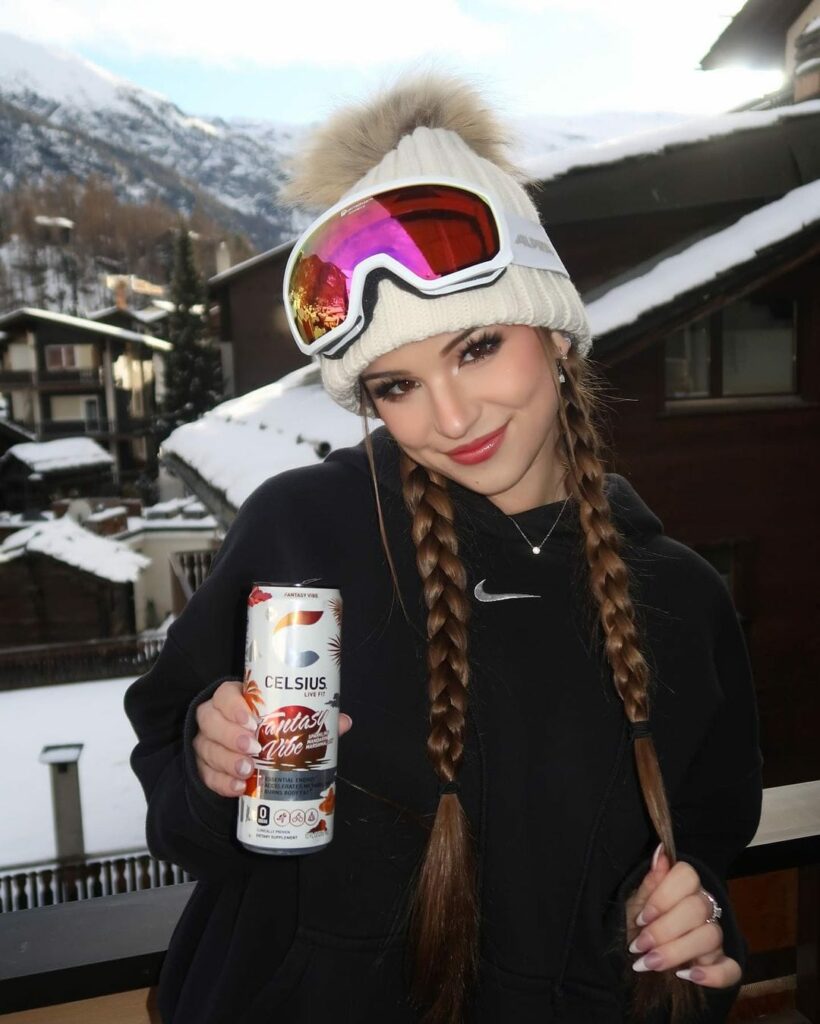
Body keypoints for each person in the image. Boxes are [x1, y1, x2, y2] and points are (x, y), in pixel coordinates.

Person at [124, 72, 763, 1024]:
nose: (452, 418)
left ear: (554, 336)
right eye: (395, 386)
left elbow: (702, 852)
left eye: (476, 348)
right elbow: (181, 817)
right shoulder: (302, 531)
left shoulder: (681, 599)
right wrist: (211, 769)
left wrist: (692, 924)